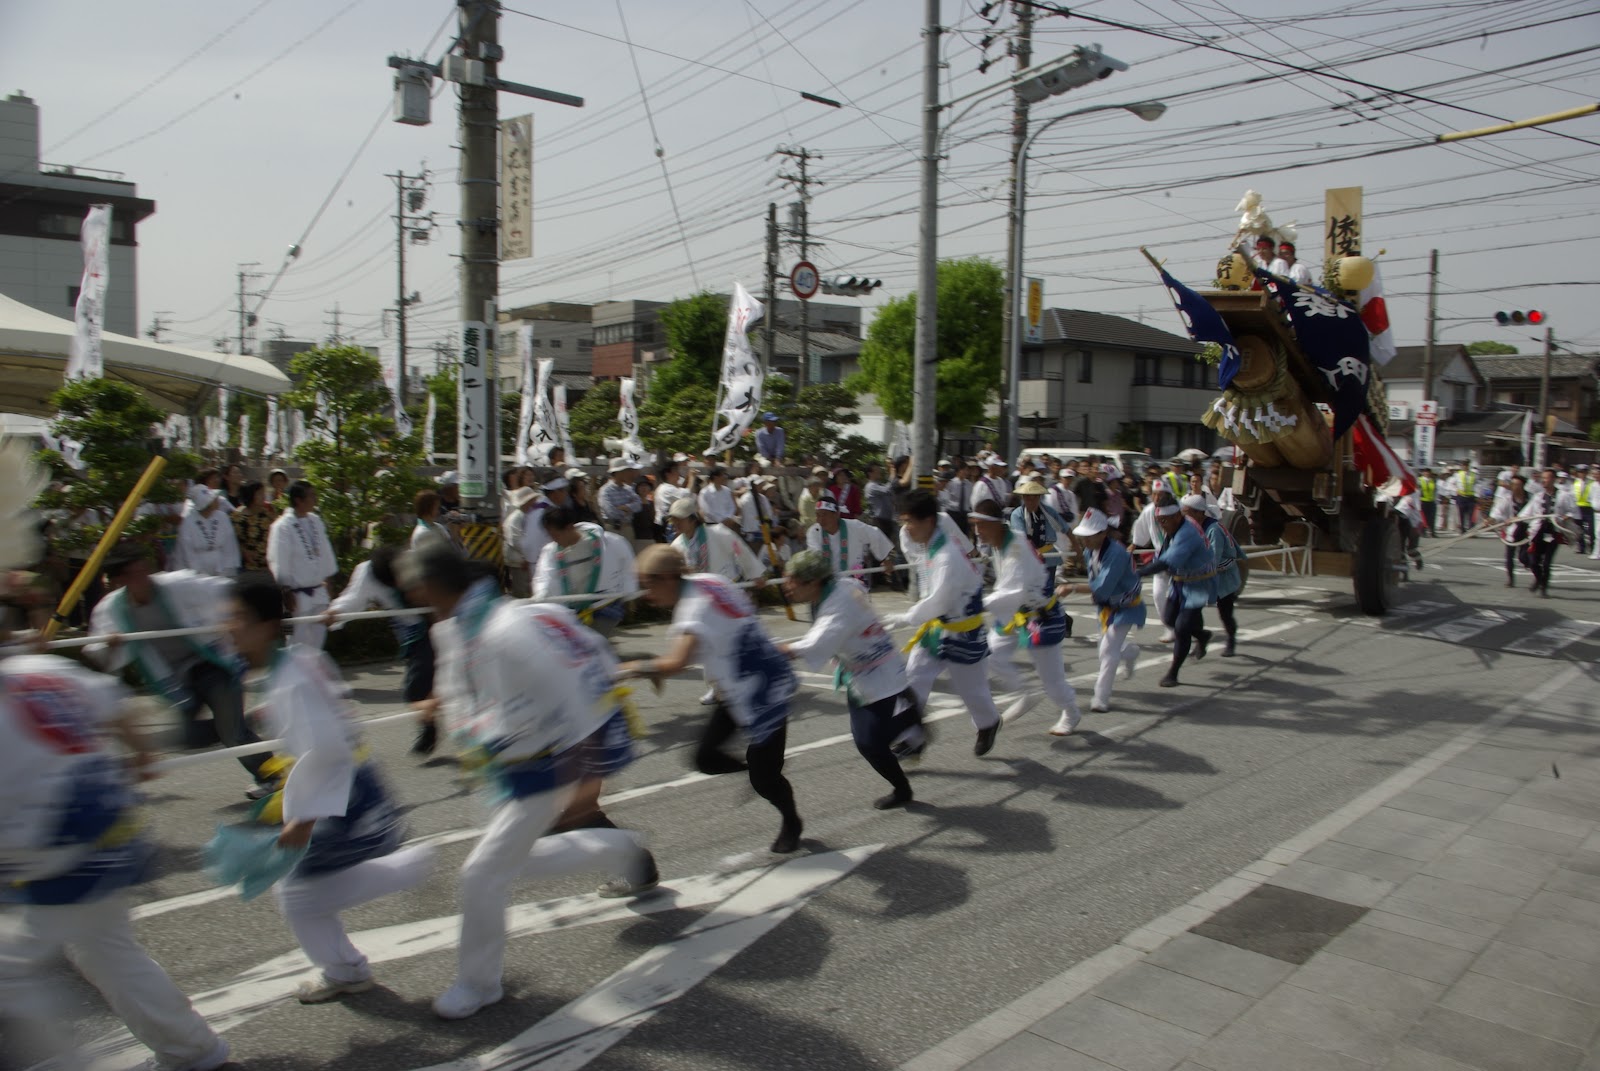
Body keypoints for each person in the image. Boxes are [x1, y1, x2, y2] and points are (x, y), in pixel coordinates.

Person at [398, 546, 656, 1020]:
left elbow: (574, 686)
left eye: (417, 587)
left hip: (548, 761)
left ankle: (478, 985)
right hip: (511, 762)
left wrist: (584, 772)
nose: (412, 595)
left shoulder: (508, 628)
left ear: (439, 586)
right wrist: (439, 707)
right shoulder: (459, 625)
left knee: (481, 874)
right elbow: (462, 679)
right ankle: (620, 847)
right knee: (515, 862)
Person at [0, 646, 230, 1071]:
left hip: (54, 850)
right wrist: (141, 757)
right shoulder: (40, 668)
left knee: (10, 972)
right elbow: (121, 709)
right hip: (107, 832)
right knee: (105, 950)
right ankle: (197, 1054)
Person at [227, 580, 435, 1004]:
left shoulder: (289, 680)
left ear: (265, 625)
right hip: (352, 783)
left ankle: (404, 876)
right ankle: (348, 963)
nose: (226, 626)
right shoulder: (300, 659)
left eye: (236, 618)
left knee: (298, 894)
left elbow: (324, 749)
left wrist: (301, 820)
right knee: (301, 888)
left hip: (340, 793)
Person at [620, 545, 804, 852]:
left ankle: (791, 820)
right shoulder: (710, 581)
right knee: (706, 757)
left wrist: (625, 668)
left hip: (764, 689)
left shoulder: (694, 607)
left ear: (667, 577)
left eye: (648, 585)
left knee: (765, 779)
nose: (647, 595)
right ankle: (761, 769)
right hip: (735, 687)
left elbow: (676, 663)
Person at [87, 549, 271, 794]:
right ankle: (245, 720)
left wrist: (234, 617)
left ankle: (272, 776)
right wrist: (111, 643)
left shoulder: (178, 584)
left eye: (143, 568)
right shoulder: (111, 609)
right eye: (132, 574)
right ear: (119, 581)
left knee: (232, 733)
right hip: (175, 679)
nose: (142, 576)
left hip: (211, 663)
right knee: (184, 737)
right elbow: (100, 654)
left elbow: (228, 589)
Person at [779, 550, 927, 809]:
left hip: (880, 672)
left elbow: (816, 643)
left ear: (812, 582)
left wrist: (771, 652)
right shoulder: (838, 587)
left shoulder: (839, 604)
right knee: (867, 742)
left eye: (792, 581)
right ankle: (909, 733)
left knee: (871, 742)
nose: (786, 587)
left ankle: (910, 730)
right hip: (858, 671)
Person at [891, 489, 1001, 756]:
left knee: (971, 689)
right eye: (903, 521)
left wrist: (903, 618)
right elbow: (910, 550)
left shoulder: (947, 556)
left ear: (928, 521)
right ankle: (912, 737)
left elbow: (938, 601)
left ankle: (988, 723)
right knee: (913, 677)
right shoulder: (930, 540)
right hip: (938, 627)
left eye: (909, 521)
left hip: (962, 628)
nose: (905, 528)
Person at [971, 501, 1081, 736]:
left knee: (1053, 683)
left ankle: (1071, 712)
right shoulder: (1001, 541)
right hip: (1015, 613)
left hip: (1041, 616)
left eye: (982, 525)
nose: (978, 530)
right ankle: (1025, 693)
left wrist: (974, 605)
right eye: (975, 525)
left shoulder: (1016, 547)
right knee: (990, 654)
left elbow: (1011, 592)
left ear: (996, 524)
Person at [325, 545, 437, 751]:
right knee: (415, 689)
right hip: (413, 628)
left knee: (445, 679)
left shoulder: (412, 559)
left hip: (438, 618)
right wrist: (335, 612)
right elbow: (353, 598)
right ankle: (429, 726)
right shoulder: (367, 573)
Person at [1057, 508, 1144, 713]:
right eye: (1083, 536)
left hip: (1126, 605)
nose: (1084, 540)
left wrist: (1073, 587)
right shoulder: (1090, 551)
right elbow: (1096, 582)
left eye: (1089, 536)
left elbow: (1103, 586)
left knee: (1107, 651)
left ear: (1102, 533)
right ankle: (1130, 652)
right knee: (1108, 648)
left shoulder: (1117, 553)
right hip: (1106, 606)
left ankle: (1101, 697)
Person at [1137, 493, 1217, 688]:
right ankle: (1202, 635)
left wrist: (1138, 573)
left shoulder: (1186, 533)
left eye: (1164, 521)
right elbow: (1164, 553)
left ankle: (1173, 673)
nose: (1161, 525)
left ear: (1176, 516)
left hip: (1199, 583)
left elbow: (1166, 561)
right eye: (1159, 521)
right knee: (1169, 619)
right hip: (1180, 580)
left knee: (1182, 628)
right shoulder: (1176, 522)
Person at [534, 506, 637, 638]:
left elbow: (628, 565)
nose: (554, 540)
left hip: (605, 605)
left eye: (556, 535)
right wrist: (541, 594)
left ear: (570, 527)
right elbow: (545, 576)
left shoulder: (609, 542)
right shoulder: (551, 551)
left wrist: (629, 591)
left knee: (594, 642)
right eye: (551, 535)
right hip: (573, 609)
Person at [267, 480, 338, 650]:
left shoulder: (316, 521)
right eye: (312, 496)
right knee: (296, 641)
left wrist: (329, 582)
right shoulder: (282, 526)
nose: (315, 499)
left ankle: (314, 673)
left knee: (318, 639)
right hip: (297, 595)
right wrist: (285, 590)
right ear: (299, 500)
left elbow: (326, 552)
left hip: (318, 591)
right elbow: (279, 558)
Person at [1183, 494, 1243, 658]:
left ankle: (1231, 639)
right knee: (1195, 611)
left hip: (1222, 576)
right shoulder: (1193, 528)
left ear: (1199, 513)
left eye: (1187, 513)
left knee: (1225, 613)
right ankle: (1200, 642)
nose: (1184, 517)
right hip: (1203, 575)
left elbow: (1213, 559)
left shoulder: (1213, 529)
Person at [668, 496, 766, 585]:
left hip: (727, 587)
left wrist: (754, 574)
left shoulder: (718, 532)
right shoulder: (676, 546)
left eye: (680, 519)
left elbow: (740, 550)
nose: (675, 523)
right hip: (700, 593)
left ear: (693, 519)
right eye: (673, 520)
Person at [1520, 468, 1581, 596]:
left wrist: (1567, 516)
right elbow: (1527, 513)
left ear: (1553, 479)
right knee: (1533, 561)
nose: (1544, 480)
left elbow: (1573, 510)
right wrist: (1515, 519)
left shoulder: (1563, 495)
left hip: (1554, 531)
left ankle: (1543, 588)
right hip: (1538, 530)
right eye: (1543, 477)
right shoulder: (1538, 496)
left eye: (1546, 478)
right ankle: (1538, 579)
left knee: (1547, 562)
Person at [806, 496, 894, 580]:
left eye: (824, 515)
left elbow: (875, 534)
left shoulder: (854, 526)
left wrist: (885, 559)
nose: (820, 520)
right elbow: (815, 553)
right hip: (827, 580)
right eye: (818, 515)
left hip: (854, 577)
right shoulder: (814, 531)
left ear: (836, 514)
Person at [174, 486, 241, 577]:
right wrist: (198, 573)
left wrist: (227, 570)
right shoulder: (188, 521)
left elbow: (230, 546)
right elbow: (187, 551)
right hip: (197, 570)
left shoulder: (223, 517)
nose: (217, 500)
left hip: (221, 567)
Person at [1490, 474, 1531, 587]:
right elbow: (1498, 511)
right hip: (1512, 530)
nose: (1514, 487)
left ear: (1523, 486)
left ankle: (1532, 567)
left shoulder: (1530, 499)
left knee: (1524, 556)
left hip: (1527, 530)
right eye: (1512, 484)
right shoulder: (1507, 499)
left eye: (1517, 485)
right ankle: (1510, 579)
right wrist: (1493, 519)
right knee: (1509, 555)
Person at [232, 480, 275, 583]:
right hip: (248, 569)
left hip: (268, 567)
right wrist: (243, 551)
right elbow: (232, 541)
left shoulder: (268, 514)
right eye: (260, 493)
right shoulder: (237, 516)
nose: (263, 496)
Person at [501, 485, 539, 598]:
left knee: (528, 590)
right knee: (521, 592)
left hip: (525, 559)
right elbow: (515, 540)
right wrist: (527, 556)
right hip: (518, 561)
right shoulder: (516, 518)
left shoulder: (527, 516)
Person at [654, 458, 691, 542]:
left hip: (663, 524)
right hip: (667, 525)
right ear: (668, 474)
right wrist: (692, 478)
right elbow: (687, 495)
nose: (678, 473)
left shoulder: (663, 487)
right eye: (676, 470)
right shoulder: (668, 489)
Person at [697, 466, 739, 533]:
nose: (725, 477)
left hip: (728, 524)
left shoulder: (727, 490)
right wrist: (721, 521)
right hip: (712, 526)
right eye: (723, 474)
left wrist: (728, 518)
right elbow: (707, 510)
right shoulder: (705, 492)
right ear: (715, 477)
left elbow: (732, 506)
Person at [1572, 463, 1596, 556]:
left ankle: (1593, 547)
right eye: (1580, 472)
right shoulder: (1575, 482)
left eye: (1584, 472)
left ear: (1586, 473)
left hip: (1589, 508)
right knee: (1579, 529)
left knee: (1591, 530)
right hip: (1578, 508)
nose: (1582, 474)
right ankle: (1581, 547)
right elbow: (1572, 495)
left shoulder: (1591, 482)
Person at [1451, 461, 1478, 531]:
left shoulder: (1473, 474)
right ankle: (1462, 529)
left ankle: (1471, 529)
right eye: (1463, 465)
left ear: (1468, 466)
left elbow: (1477, 484)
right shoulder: (1457, 474)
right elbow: (1451, 484)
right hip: (1461, 496)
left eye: (1466, 465)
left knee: (1471, 514)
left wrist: (1477, 495)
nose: (1465, 467)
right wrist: (1455, 490)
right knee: (1461, 513)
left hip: (1470, 497)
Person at [1417, 467, 1438, 537]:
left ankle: (1432, 532)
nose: (1427, 473)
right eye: (1425, 472)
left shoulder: (1433, 480)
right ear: (1423, 473)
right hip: (1423, 501)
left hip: (1431, 501)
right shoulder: (1419, 480)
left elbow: (1435, 490)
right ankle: (1423, 531)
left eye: (1428, 472)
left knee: (1432, 517)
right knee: (1423, 517)